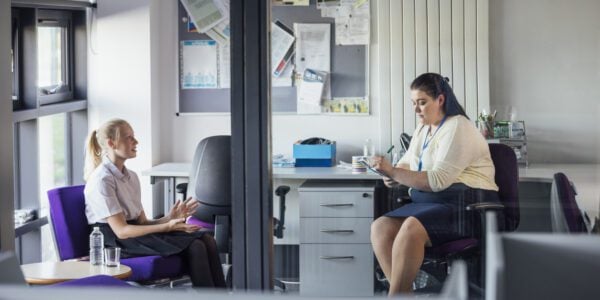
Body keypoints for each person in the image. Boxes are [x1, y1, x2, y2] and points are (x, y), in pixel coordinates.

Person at [370, 73, 499, 295]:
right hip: (431, 202)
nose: (416, 109)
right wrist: (389, 174)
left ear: (440, 100)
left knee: (411, 228)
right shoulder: (424, 128)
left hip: (467, 204)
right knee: (380, 228)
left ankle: (396, 296)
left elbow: (438, 180)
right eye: (414, 103)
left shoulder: (458, 126)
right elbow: (406, 164)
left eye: (422, 102)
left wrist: (395, 171)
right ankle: (403, 292)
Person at [83, 118, 225, 288]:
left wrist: (169, 218)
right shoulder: (102, 180)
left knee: (207, 239)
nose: (135, 142)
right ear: (111, 143)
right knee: (195, 246)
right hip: (115, 242)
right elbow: (121, 231)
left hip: (133, 234)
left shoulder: (131, 177)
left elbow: (142, 222)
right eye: (129, 137)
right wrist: (167, 227)